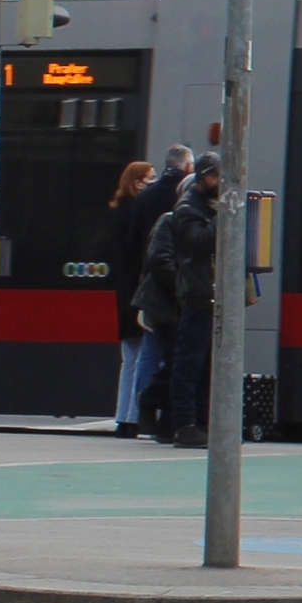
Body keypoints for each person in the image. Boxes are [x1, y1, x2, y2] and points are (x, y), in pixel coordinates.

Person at [129, 145, 193, 440]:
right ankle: (150, 404)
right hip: (168, 301)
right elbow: (160, 261)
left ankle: (166, 419)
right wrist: (184, 286)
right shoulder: (171, 219)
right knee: (175, 360)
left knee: (168, 359)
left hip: (163, 301)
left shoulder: (144, 201)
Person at [164, 153, 222, 448]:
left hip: (208, 293)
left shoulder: (203, 206)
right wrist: (223, 217)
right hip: (198, 294)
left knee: (203, 364)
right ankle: (185, 423)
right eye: (216, 176)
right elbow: (197, 244)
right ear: (203, 176)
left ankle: (199, 420)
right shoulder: (188, 208)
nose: (220, 183)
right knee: (190, 362)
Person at [108, 160, 154, 437]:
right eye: (150, 177)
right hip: (138, 290)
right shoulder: (138, 211)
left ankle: (123, 417)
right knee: (141, 356)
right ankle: (134, 416)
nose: (153, 181)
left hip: (124, 290)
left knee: (129, 358)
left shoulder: (118, 210)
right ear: (137, 182)